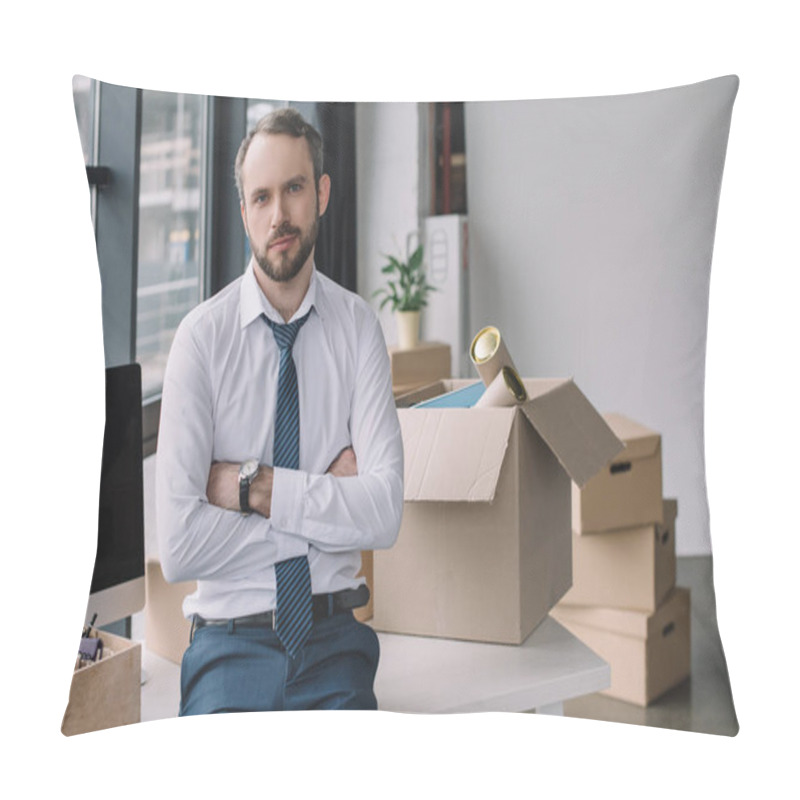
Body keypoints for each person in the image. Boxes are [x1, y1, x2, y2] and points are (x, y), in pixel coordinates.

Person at [155, 108, 404, 714]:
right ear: (243, 212)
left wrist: (256, 486)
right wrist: (323, 506)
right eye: (260, 197)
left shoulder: (359, 330)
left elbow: (385, 513)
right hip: (228, 648)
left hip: (334, 641)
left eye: (293, 189)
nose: (279, 215)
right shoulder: (200, 340)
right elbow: (180, 546)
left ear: (320, 193)